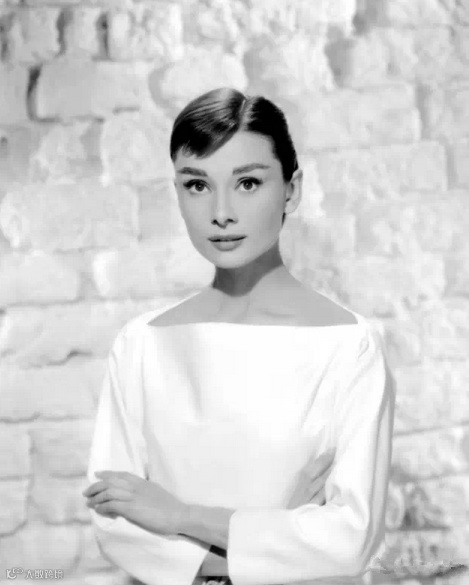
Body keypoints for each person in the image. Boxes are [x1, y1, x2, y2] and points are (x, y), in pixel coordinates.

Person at [83, 87, 395, 585]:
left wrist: (180, 516)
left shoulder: (349, 346)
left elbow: (348, 540)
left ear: (291, 190)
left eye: (248, 183)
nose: (221, 212)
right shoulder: (141, 345)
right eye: (197, 185)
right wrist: (274, 538)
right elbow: (115, 521)